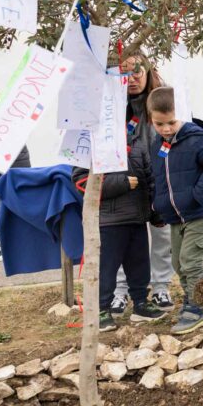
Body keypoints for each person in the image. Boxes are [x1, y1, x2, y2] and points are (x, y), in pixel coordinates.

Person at [147, 86, 203, 334]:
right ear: (152, 119)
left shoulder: (197, 139)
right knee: (178, 263)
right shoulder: (157, 145)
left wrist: (198, 196)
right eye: (159, 124)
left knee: (191, 261)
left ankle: (197, 307)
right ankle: (192, 299)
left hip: (199, 211)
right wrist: (157, 207)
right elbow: (158, 179)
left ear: (181, 113)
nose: (166, 129)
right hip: (175, 216)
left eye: (171, 122)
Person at [73, 141, 167, 332]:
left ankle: (141, 304)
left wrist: (155, 213)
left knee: (140, 266)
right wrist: (121, 183)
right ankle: (101, 310)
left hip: (137, 219)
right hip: (109, 222)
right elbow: (81, 183)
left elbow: (150, 181)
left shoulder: (139, 145)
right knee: (106, 269)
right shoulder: (93, 145)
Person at [110, 53, 176, 317]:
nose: (133, 78)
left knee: (161, 236)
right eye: (125, 72)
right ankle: (120, 290)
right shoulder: (112, 103)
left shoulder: (163, 98)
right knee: (124, 239)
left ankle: (161, 286)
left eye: (138, 71)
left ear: (149, 71)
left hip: (159, 176)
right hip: (126, 181)